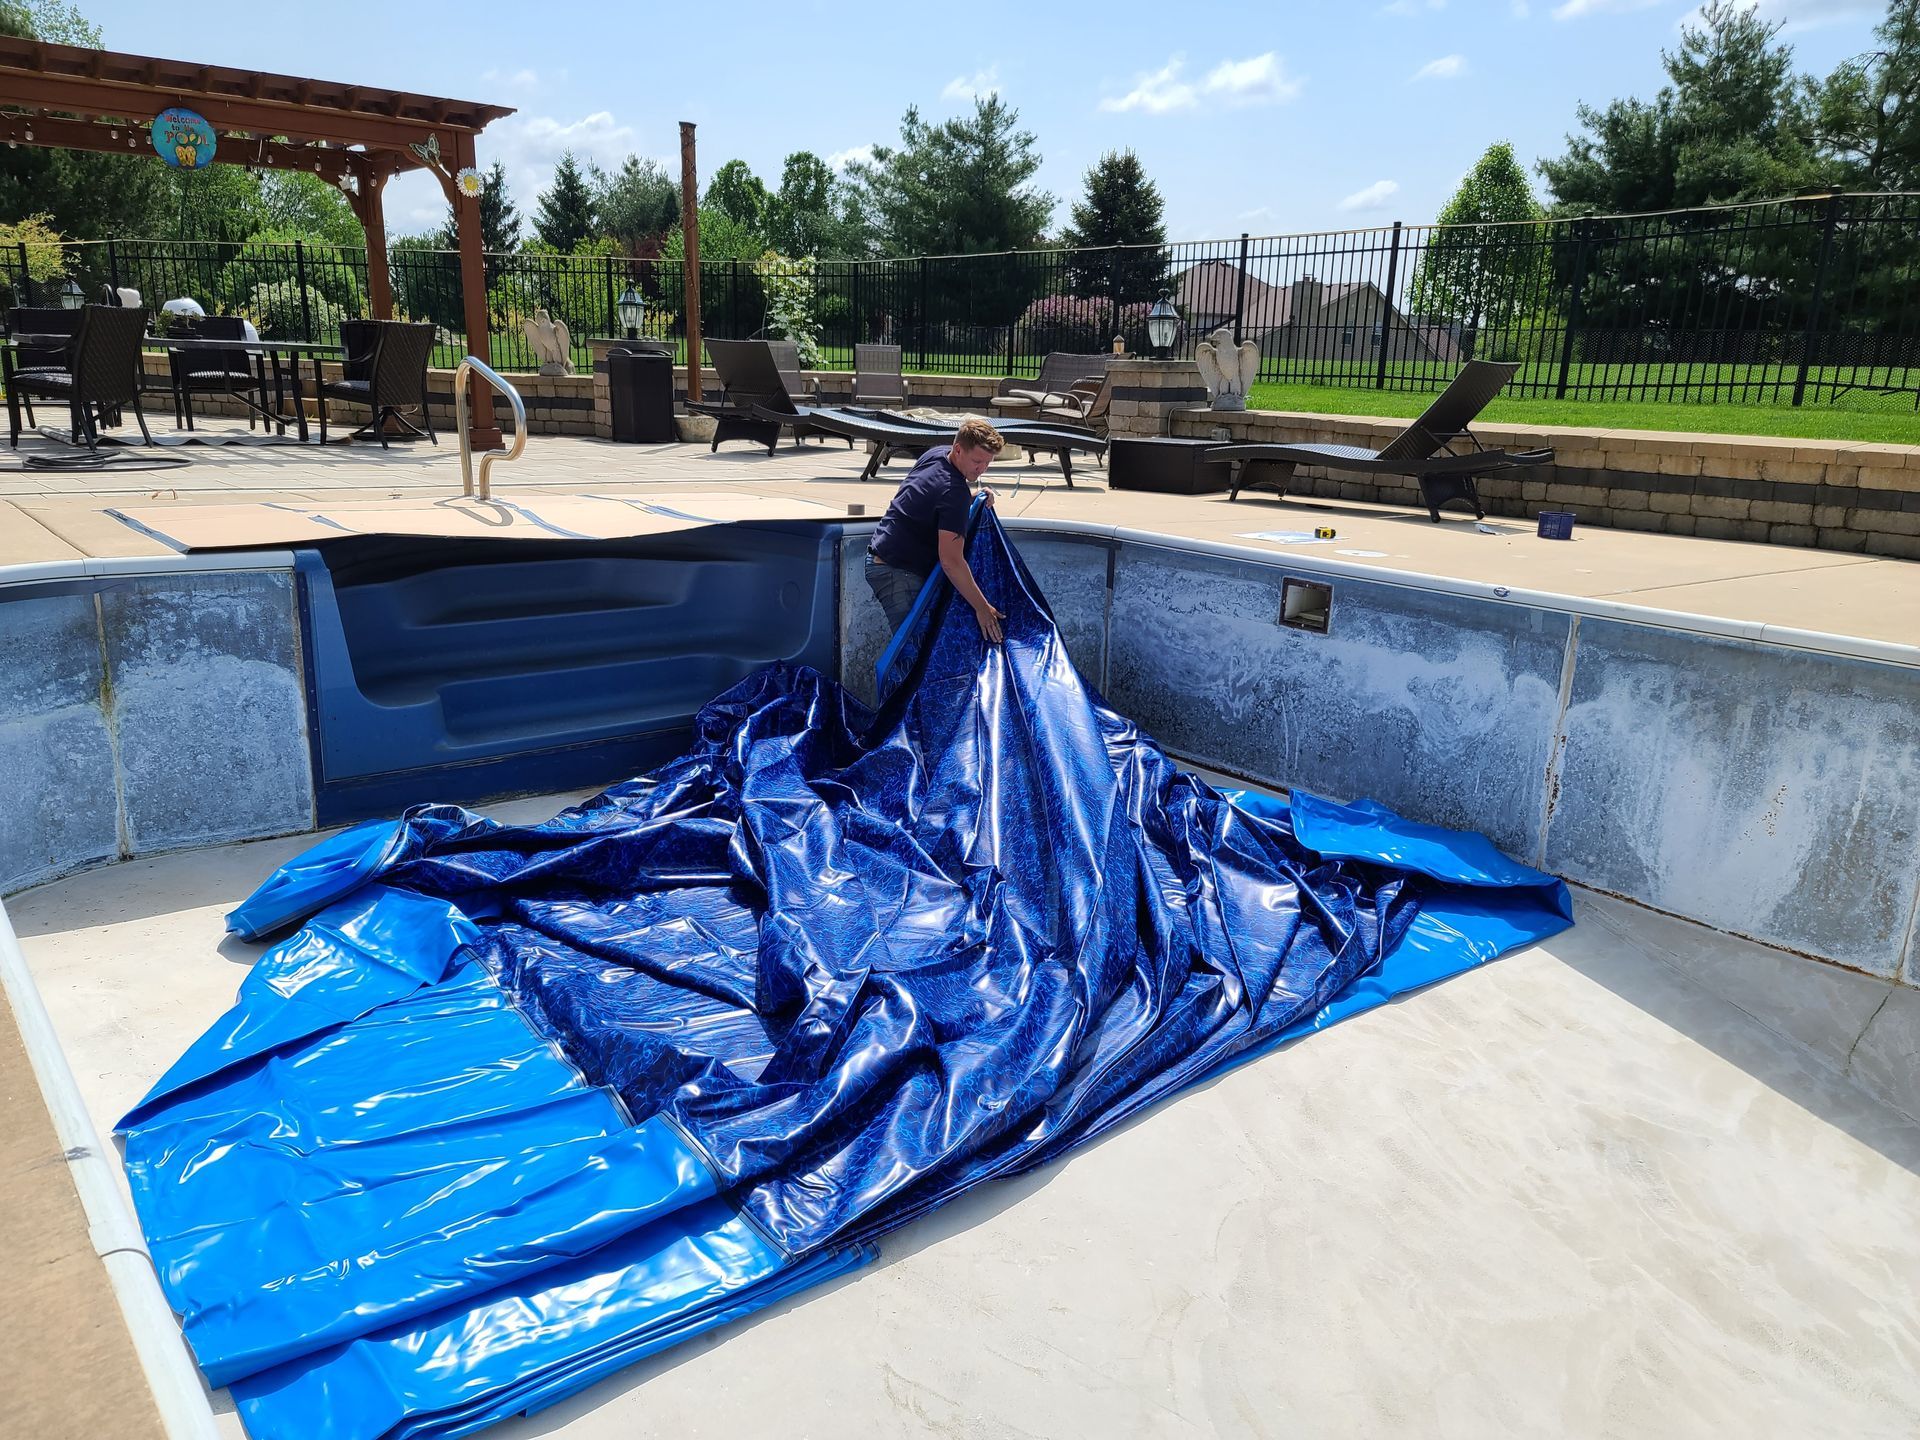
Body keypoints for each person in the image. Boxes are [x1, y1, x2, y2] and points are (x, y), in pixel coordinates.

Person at [864, 416, 1007, 643]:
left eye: (988, 463)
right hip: (896, 572)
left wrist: (974, 499)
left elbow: (932, 500)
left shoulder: (936, 455)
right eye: (977, 461)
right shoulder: (954, 493)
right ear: (958, 449)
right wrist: (982, 608)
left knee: (917, 648)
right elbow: (951, 562)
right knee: (912, 652)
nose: (982, 469)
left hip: (882, 555)